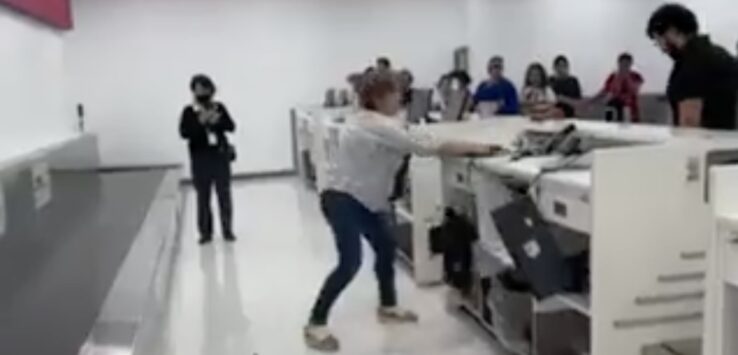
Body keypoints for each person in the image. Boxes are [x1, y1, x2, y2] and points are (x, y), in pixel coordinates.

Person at [304, 71, 501, 352]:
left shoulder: (377, 120)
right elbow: (428, 146)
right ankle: (315, 323)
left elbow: (413, 135)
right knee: (350, 262)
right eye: (395, 92)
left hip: (370, 201)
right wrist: (480, 148)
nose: (400, 97)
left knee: (386, 249)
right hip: (343, 199)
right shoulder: (375, 124)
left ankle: (387, 306)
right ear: (378, 97)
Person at [647, 3, 738, 129]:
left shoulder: (693, 63)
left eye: (659, 40)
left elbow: (689, 124)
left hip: (704, 144)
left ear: (672, 31)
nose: (662, 49)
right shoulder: (720, 54)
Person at [179, 74, 237, 245]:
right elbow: (184, 132)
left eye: (205, 88)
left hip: (219, 156)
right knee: (203, 197)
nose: (202, 92)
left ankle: (227, 230)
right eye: (198, 89)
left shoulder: (219, 107)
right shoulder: (189, 111)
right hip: (200, 159)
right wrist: (200, 123)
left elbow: (231, 126)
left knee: (224, 195)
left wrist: (217, 121)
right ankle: (205, 233)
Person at [590, 53, 644, 122]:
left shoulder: (636, 76)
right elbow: (605, 91)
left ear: (630, 64)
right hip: (615, 107)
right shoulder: (613, 77)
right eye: (622, 64)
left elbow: (635, 90)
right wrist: (591, 101)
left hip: (631, 109)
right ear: (618, 63)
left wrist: (626, 77)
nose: (624, 66)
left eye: (627, 64)